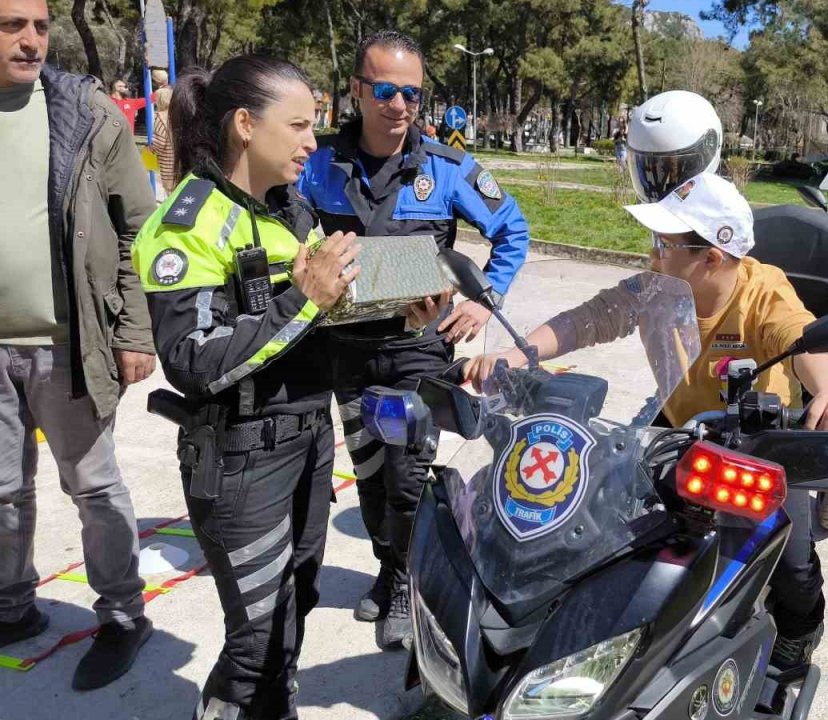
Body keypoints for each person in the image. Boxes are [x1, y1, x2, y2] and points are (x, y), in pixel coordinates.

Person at [131, 55, 448, 717]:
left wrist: (397, 313)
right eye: (299, 125)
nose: (313, 140)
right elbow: (194, 360)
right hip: (241, 460)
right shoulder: (187, 223)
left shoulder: (290, 207)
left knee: (293, 609)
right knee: (257, 645)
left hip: (307, 442)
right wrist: (305, 300)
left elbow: (320, 328)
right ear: (245, 125)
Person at [464, 171, 828, 670]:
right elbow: (589, 318)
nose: (652, 254)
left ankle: (799, 634)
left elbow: (801, 338)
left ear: (712, 257)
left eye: (664, 243)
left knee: (792, 560)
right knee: (603, 528)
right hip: (675, 428)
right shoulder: (654, 289)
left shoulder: (764, 293)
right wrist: (517, 352)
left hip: (756, 445)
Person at [295, 30, 530, 649]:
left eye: (413, 94)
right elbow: (284, 236)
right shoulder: (317, 164)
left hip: (417, 349)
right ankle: (388, 565)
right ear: (356, 90)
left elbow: (513, 230)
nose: (399, 105)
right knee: (369, 474)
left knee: (406, 477)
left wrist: (484, 301)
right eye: (386, 90)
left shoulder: (448, 170)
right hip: (343, 350)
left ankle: (407, 581)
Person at [0, 0, 158, 691]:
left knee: (93, 488)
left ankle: (124, 615)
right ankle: (11, 608)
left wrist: (135, 332)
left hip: (70, 345)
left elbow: (139, 231)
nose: (32, 40)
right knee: (2, 494)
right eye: (12, 26)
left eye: (38, 25)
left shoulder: (88, 114)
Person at [151, 85, 177, 193]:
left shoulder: (161, 118)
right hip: (181, 160)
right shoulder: (178, 114)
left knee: (171, 195)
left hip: (168, 163)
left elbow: (159, 144)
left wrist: (151, 148)